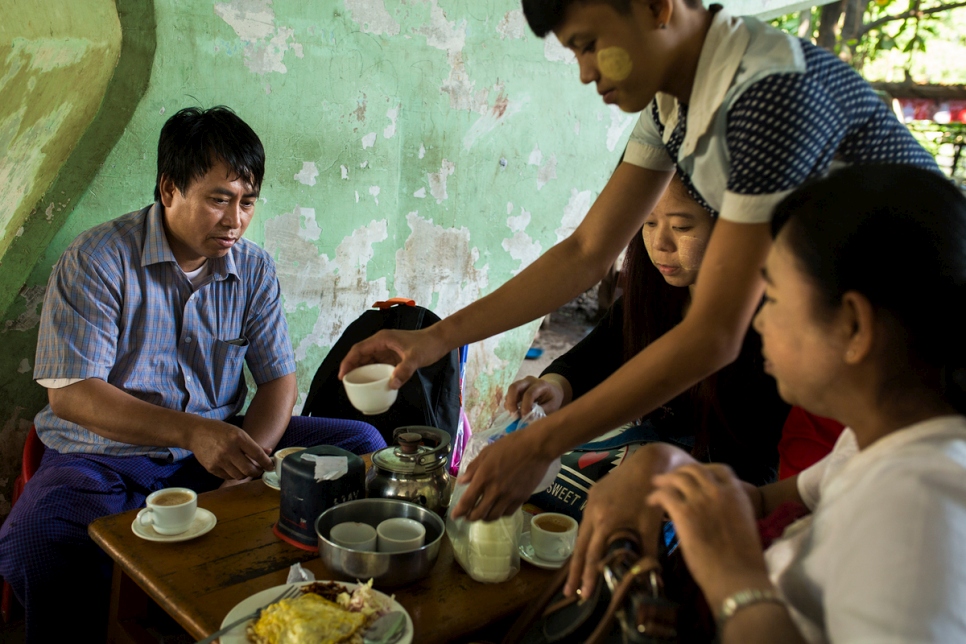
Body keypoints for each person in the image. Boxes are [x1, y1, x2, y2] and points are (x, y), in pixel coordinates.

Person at [338, 0, 940, 523]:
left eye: (590, 44)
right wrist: (435, 340)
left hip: (921, 357)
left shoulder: (769, 94)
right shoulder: (670, 109)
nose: (584, 72)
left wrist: (544, 443)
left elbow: (713, 334)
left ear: (656, 6)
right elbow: (585, 252)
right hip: (857, 359)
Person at [0, 106, 385, 642]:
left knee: (360, 445)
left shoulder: (252, 268)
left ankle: (307, 609)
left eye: (247, 202)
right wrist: (192, 432)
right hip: (105, 456)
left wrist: (245, 461)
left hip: (218, 444)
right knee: (37, 536)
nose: (235, 220)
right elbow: (73, 397)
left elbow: (277, 382)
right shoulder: (99, 259)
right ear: (168, 189)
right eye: (218, 199)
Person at [569, 165, 966, 642]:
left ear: (854, 327)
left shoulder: (918, 508)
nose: (757, 324)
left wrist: (733, 584)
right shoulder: (872, 446)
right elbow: (761, 501)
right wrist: (665, 465)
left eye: (773, 299)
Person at [508, 175, 788, 494]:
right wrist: (555, 388)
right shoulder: (652, 296)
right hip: (654, 456)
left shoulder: (768, 326)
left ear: (732, 227)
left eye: (682, 227)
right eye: (649, 223)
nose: (660, 244)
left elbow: (760, 461)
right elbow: (591, 359)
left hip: (729, 488)